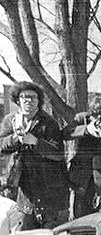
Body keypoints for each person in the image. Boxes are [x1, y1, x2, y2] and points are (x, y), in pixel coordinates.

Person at [0, 81, 69, 227]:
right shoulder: (10, 120)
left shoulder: (49, 123)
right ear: (17, 100)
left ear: (39, 101)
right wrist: (15, 139)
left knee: (52, 232)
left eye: (33, 97)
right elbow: (1, 145)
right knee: (21, 233)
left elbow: (58, 153)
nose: (28, 100)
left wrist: (36, 142)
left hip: (47, 186)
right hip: (19, 186)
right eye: (24, 97)